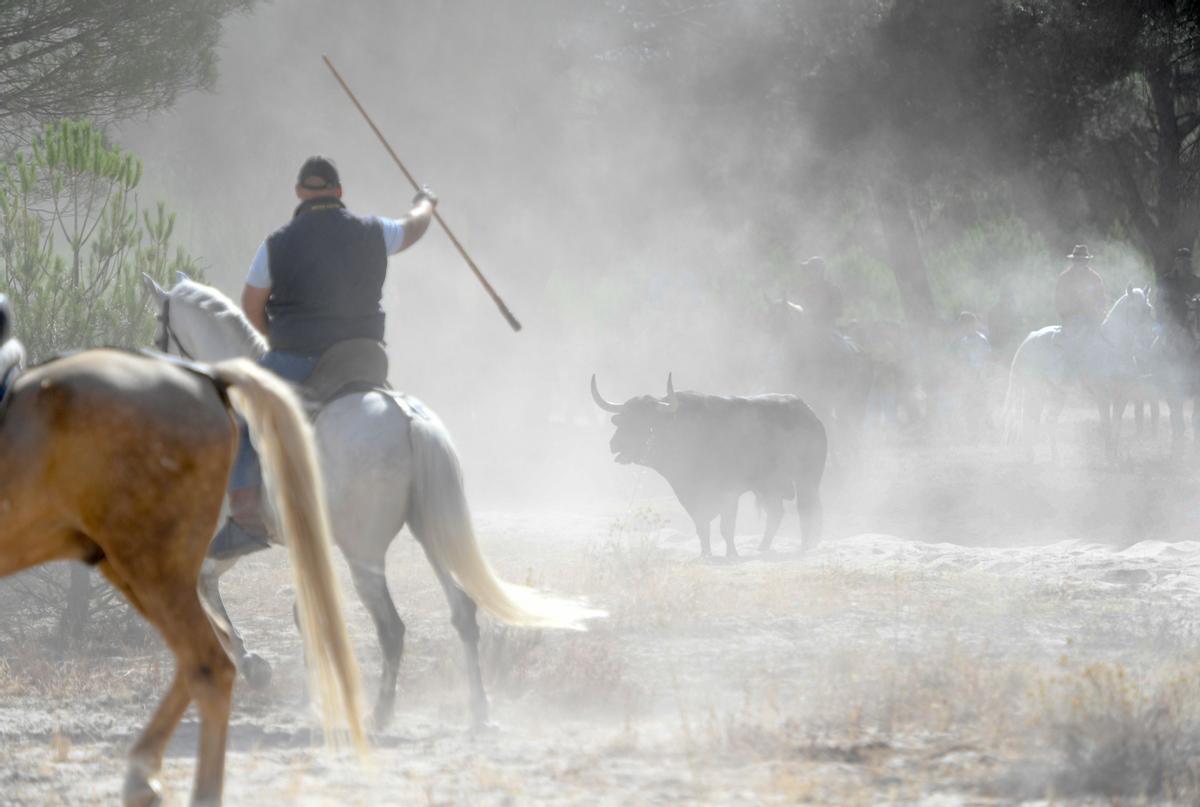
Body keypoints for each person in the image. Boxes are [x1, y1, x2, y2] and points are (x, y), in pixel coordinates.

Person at [209, 156, 437, 559]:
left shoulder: (276, 244)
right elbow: (412, 228)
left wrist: (273, 339)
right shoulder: (373, 231)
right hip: (363, 357)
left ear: (299, 193)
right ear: (338, 191)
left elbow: (252, 304)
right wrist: (426, 203)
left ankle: (245, 521)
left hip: (300, 358)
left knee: (238, 408)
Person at [1156, 247, 1200, 350]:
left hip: (1192, 326)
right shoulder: (1166, 281)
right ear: (1176, 262)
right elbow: (1159, 303)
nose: (1185, 265)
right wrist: (1163, 322)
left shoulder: (1197, 282)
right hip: (1171, 325)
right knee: (1156, 350)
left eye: (1187, 262)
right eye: (1182, 262)